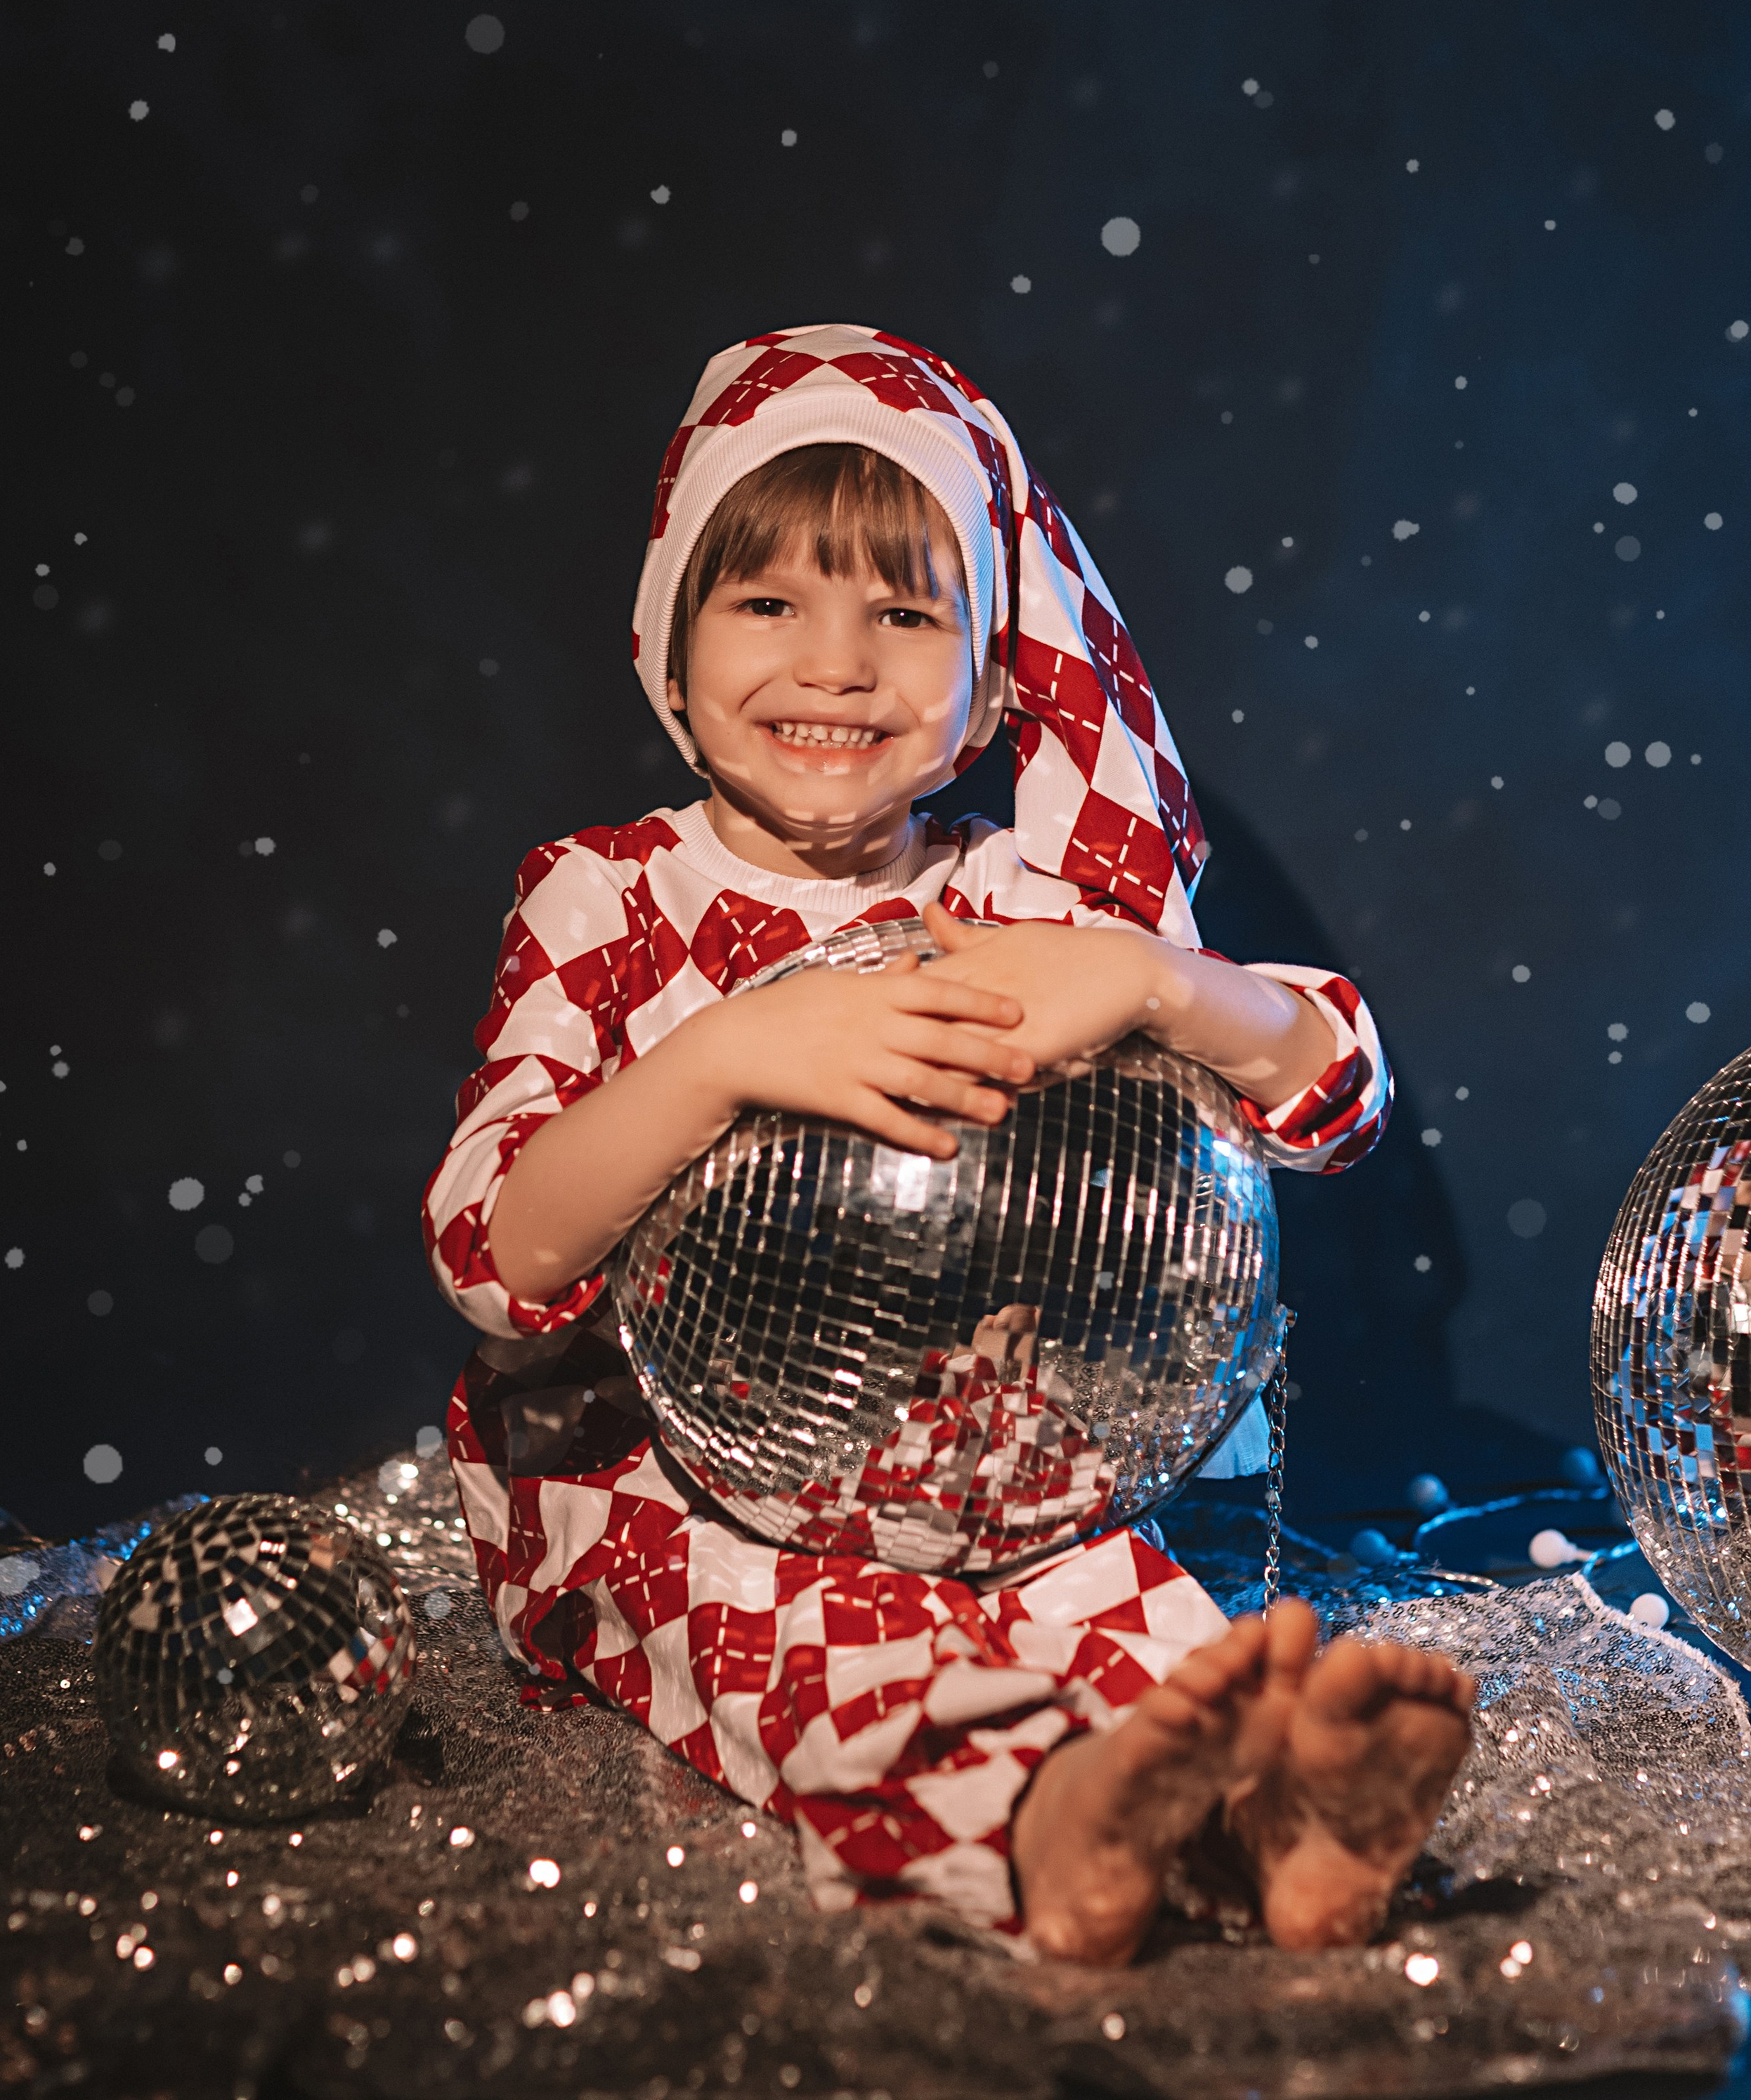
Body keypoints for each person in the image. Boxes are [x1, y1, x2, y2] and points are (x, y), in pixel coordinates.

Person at [424, 325, 1473, 1964]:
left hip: (966, 1461)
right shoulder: (606, 901)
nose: (836, 666)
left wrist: (1152, 982)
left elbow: (1331, 1100)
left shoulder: (1005, 900)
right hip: (648, 1468)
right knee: (817, 1646)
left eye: (903, 616)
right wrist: (724, 1058)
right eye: (766, 604)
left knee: (1115, 1608)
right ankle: (1046, 1836)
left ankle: (1271, 1834)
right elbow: (493, 1260)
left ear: (991, 685)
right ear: (666, 647)